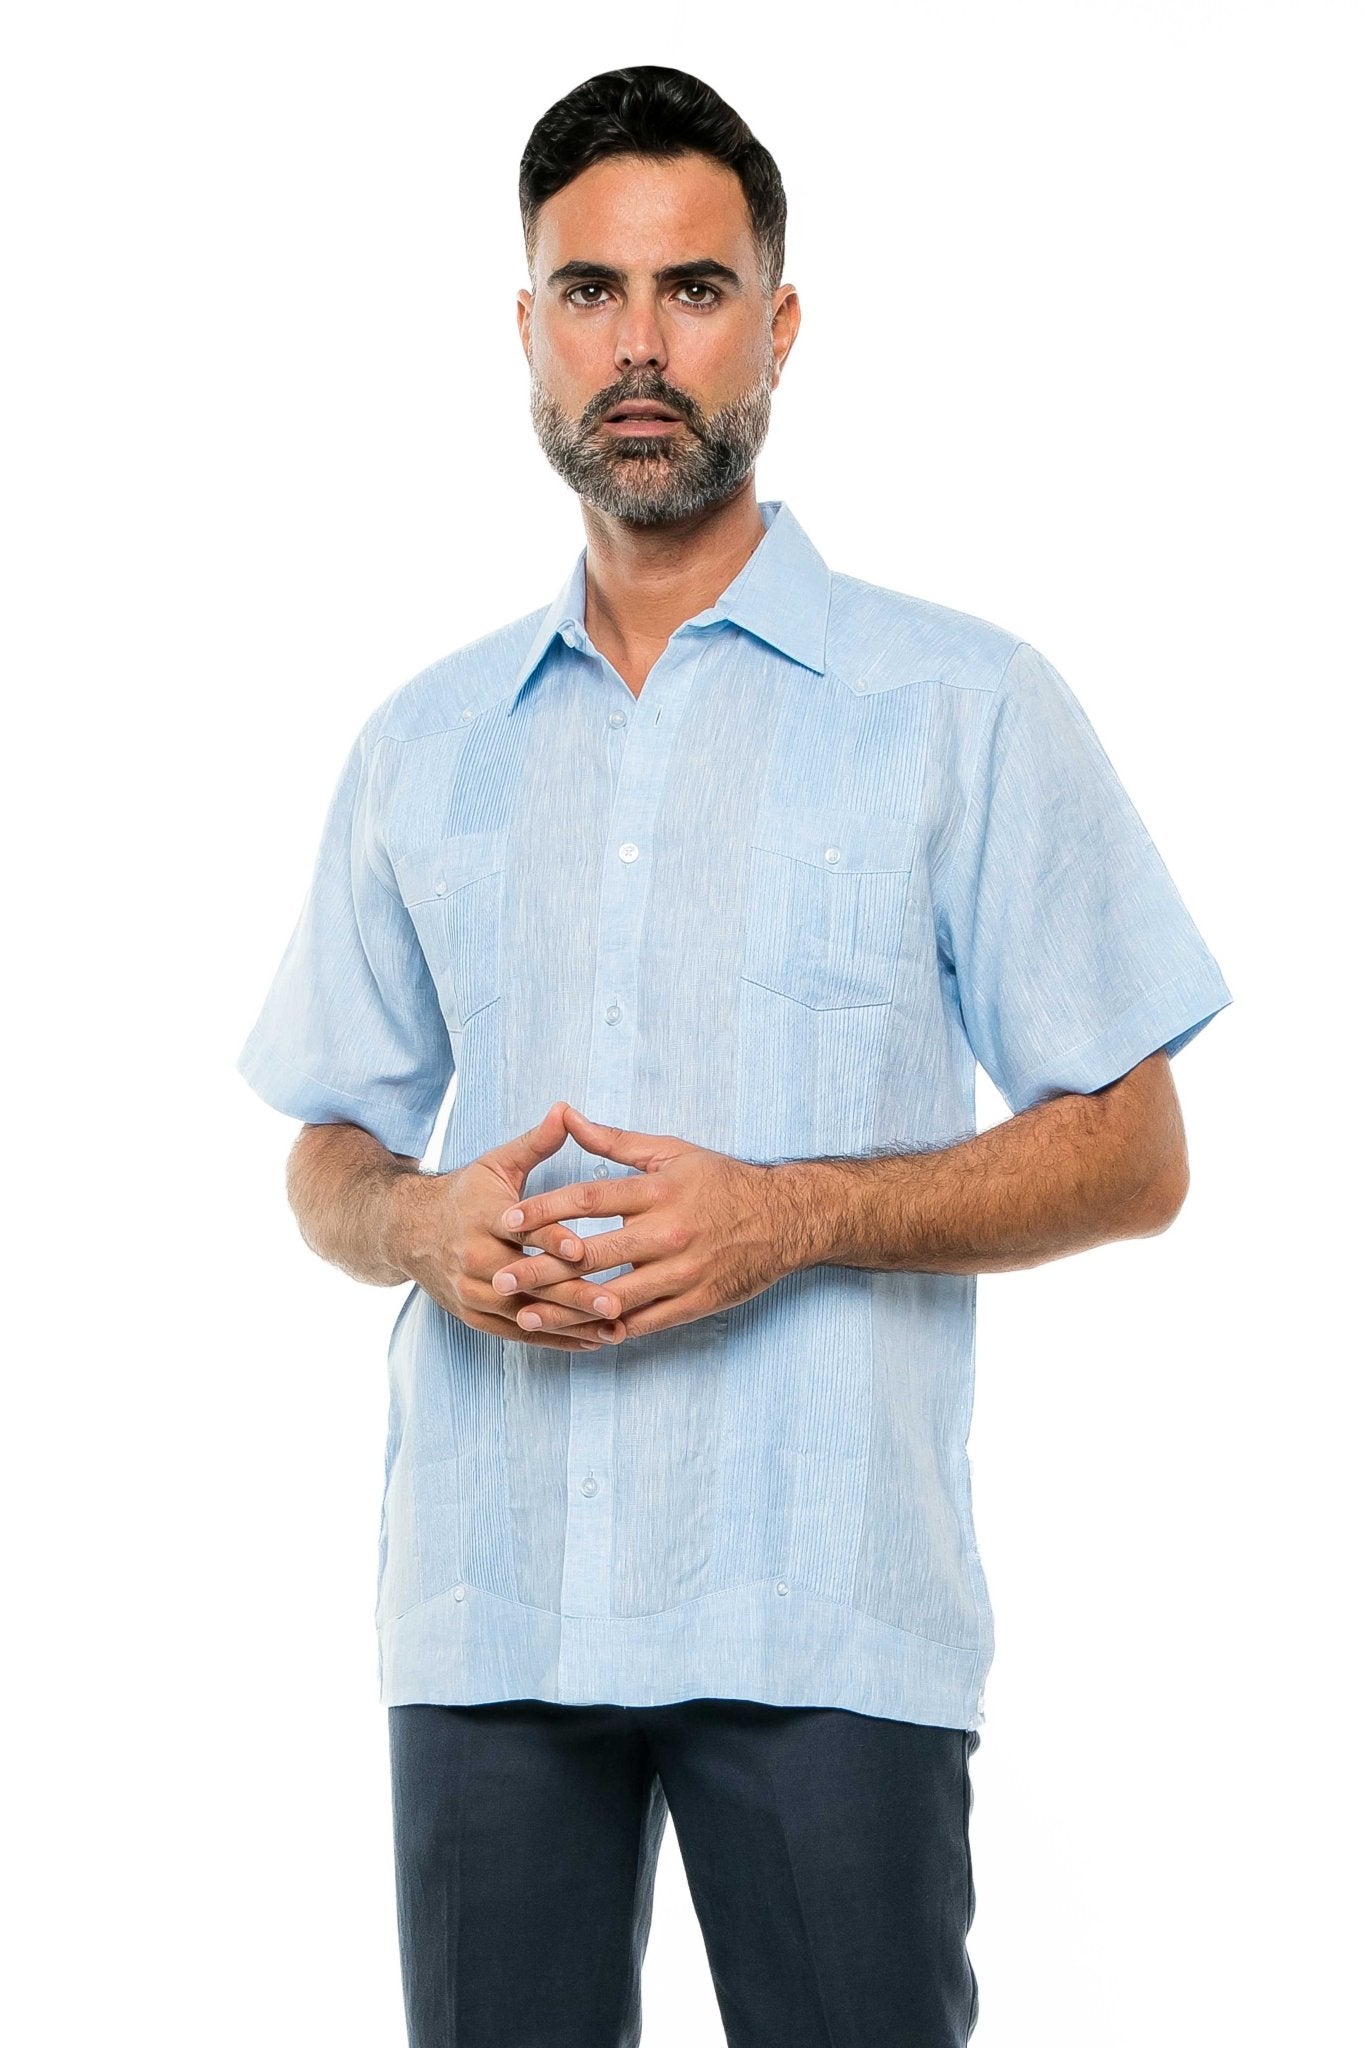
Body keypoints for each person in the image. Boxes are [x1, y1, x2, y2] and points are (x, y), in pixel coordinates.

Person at [235, 62, 1233, 2048]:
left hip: (818, 1609)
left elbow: (1133, 1145)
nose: (637, 346)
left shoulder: (957, 705)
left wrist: (794, 1213)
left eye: (690, 291)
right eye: (588, 294)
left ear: (773, 325)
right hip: (487, 1607)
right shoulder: (421, 744)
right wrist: (418, 1219)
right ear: (527, 333)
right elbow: (329, 1148)